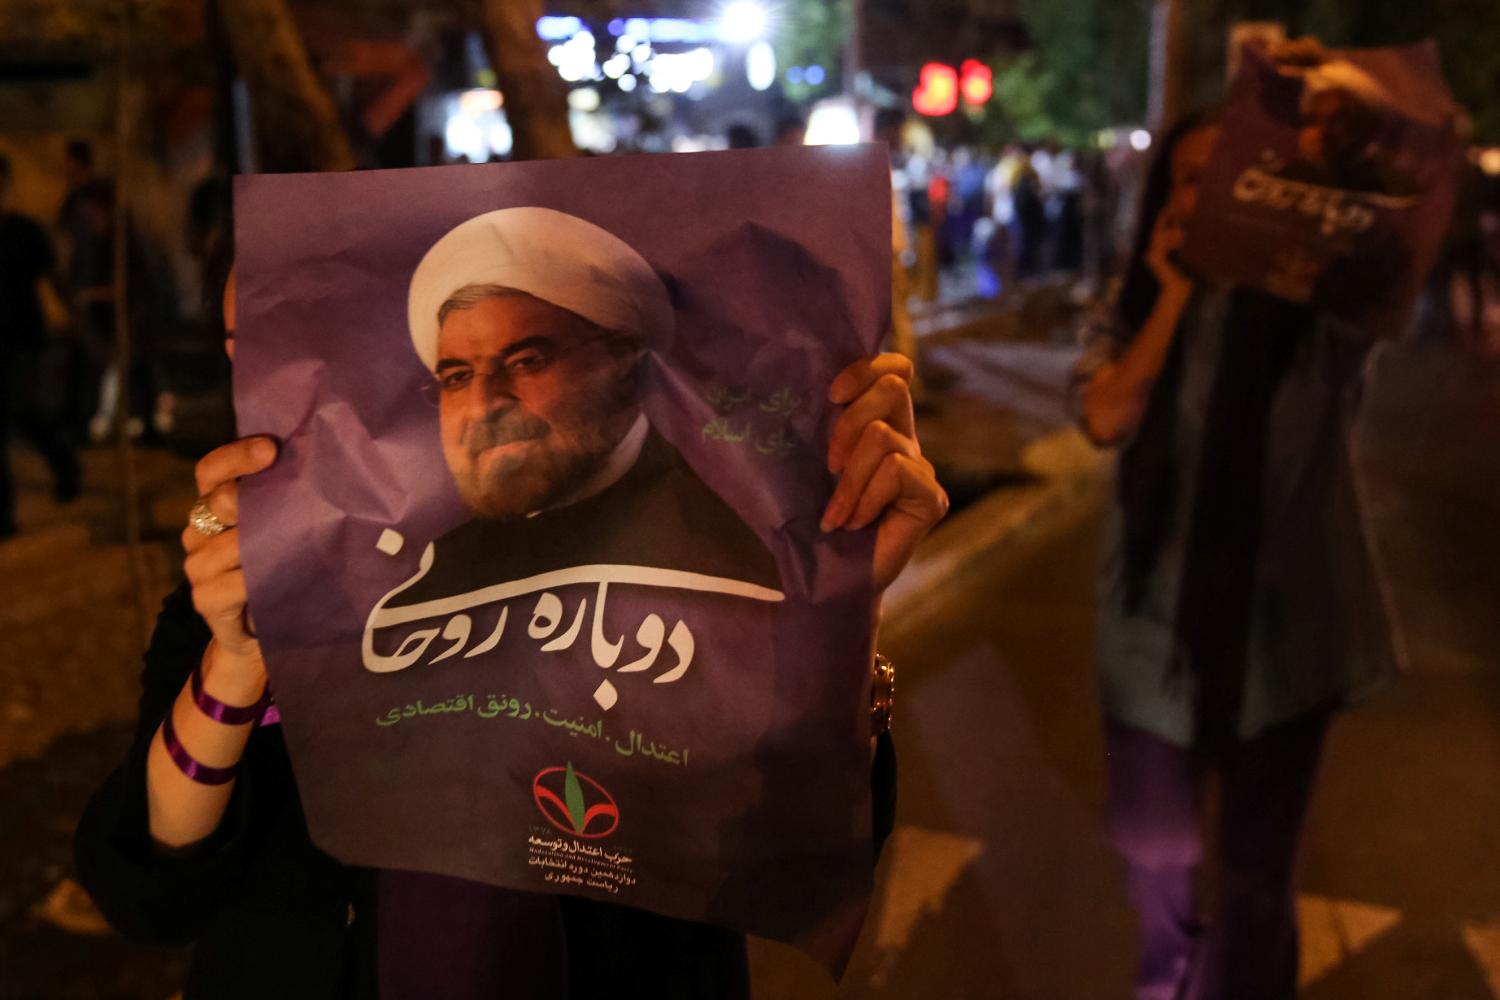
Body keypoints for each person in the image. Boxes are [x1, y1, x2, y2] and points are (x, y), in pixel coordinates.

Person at [76, 251, 948, 997]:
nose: (267, 389)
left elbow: (789, 861)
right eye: (243, 354)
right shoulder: (248, 574)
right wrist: (234, 659)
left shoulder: (681, 555)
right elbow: (152, 895)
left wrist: (833, 609)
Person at [1073, 111, 1399, 1000]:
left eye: (1230, 179)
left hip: (1287, 636)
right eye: (1188, 178)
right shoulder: (1133, 298)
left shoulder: (1313, 314)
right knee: (1153, 852)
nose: (1205, 195)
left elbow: (1388, 265)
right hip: (1152, 631)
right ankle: (1166, 982)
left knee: (1259, 886)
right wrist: (1173, 296)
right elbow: (1105, 414)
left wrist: (1337, 128)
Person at [385, 207, 781, 628]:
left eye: (526, 362)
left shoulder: (738, 544)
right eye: (458, 377)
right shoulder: (437, 579)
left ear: (623, 366)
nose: (484, 405)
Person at [0, 153, 80, 538]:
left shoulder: (25, 233)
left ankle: (63, 461)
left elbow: (53, 277)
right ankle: (3, 515)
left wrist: (74, 318)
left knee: (24, 412)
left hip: (24, 339)